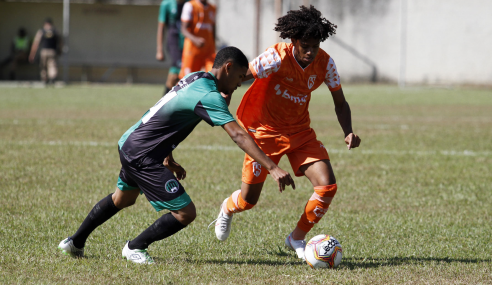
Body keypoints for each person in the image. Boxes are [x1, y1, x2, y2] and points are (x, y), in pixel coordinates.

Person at [57, 46, 295, 264]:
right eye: (240, 78)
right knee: (185, 212)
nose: (239, 84)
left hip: (131, 142)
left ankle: (74, 242)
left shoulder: (196, 77)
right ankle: (135, 247)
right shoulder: (209, 95)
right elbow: (238, 136)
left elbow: (168, 115)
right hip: (142, 153)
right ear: (228, 68)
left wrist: (167, 157)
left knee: (123, 199)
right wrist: (272, 167)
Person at [211, 6, 361, 260]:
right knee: (248, 201)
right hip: (263, 132)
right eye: (305, 45)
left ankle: (296, 238)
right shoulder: (276, 58)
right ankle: (227, 208)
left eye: (315, 45)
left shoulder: (326, 64)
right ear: (293, 41)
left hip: (300, 131)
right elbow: (239, 76)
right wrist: (224, 95)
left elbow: (340, 102)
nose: (310, 51)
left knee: (327, 187)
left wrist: (348, 131)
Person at [156, 0, 188, 95]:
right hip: (173, 43)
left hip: (187, 43)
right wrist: (159, 50)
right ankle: (164, 101)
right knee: (176, 72)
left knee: (179, 74)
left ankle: (166, 101)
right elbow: (161, 27)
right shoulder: (167, 4)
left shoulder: (189, 3)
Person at [179, 0, 216, 79]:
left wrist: (214, 45)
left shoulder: (212, 8)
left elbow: (213, 30)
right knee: (188, 79)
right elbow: (183, 29)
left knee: (213, 77)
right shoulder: (190, 5)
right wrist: (195, 40)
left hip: (208, 50)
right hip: (192, 50)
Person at [29, 18, 60, 84]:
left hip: (44, 51)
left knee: (43, 66)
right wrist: (60, 50)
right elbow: (60, 42)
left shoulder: (41, 31)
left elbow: (36, 43)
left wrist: (32, 54)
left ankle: (45, 79)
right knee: (52, 65)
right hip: (52, 51)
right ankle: (52, 78)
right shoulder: (55, 31)